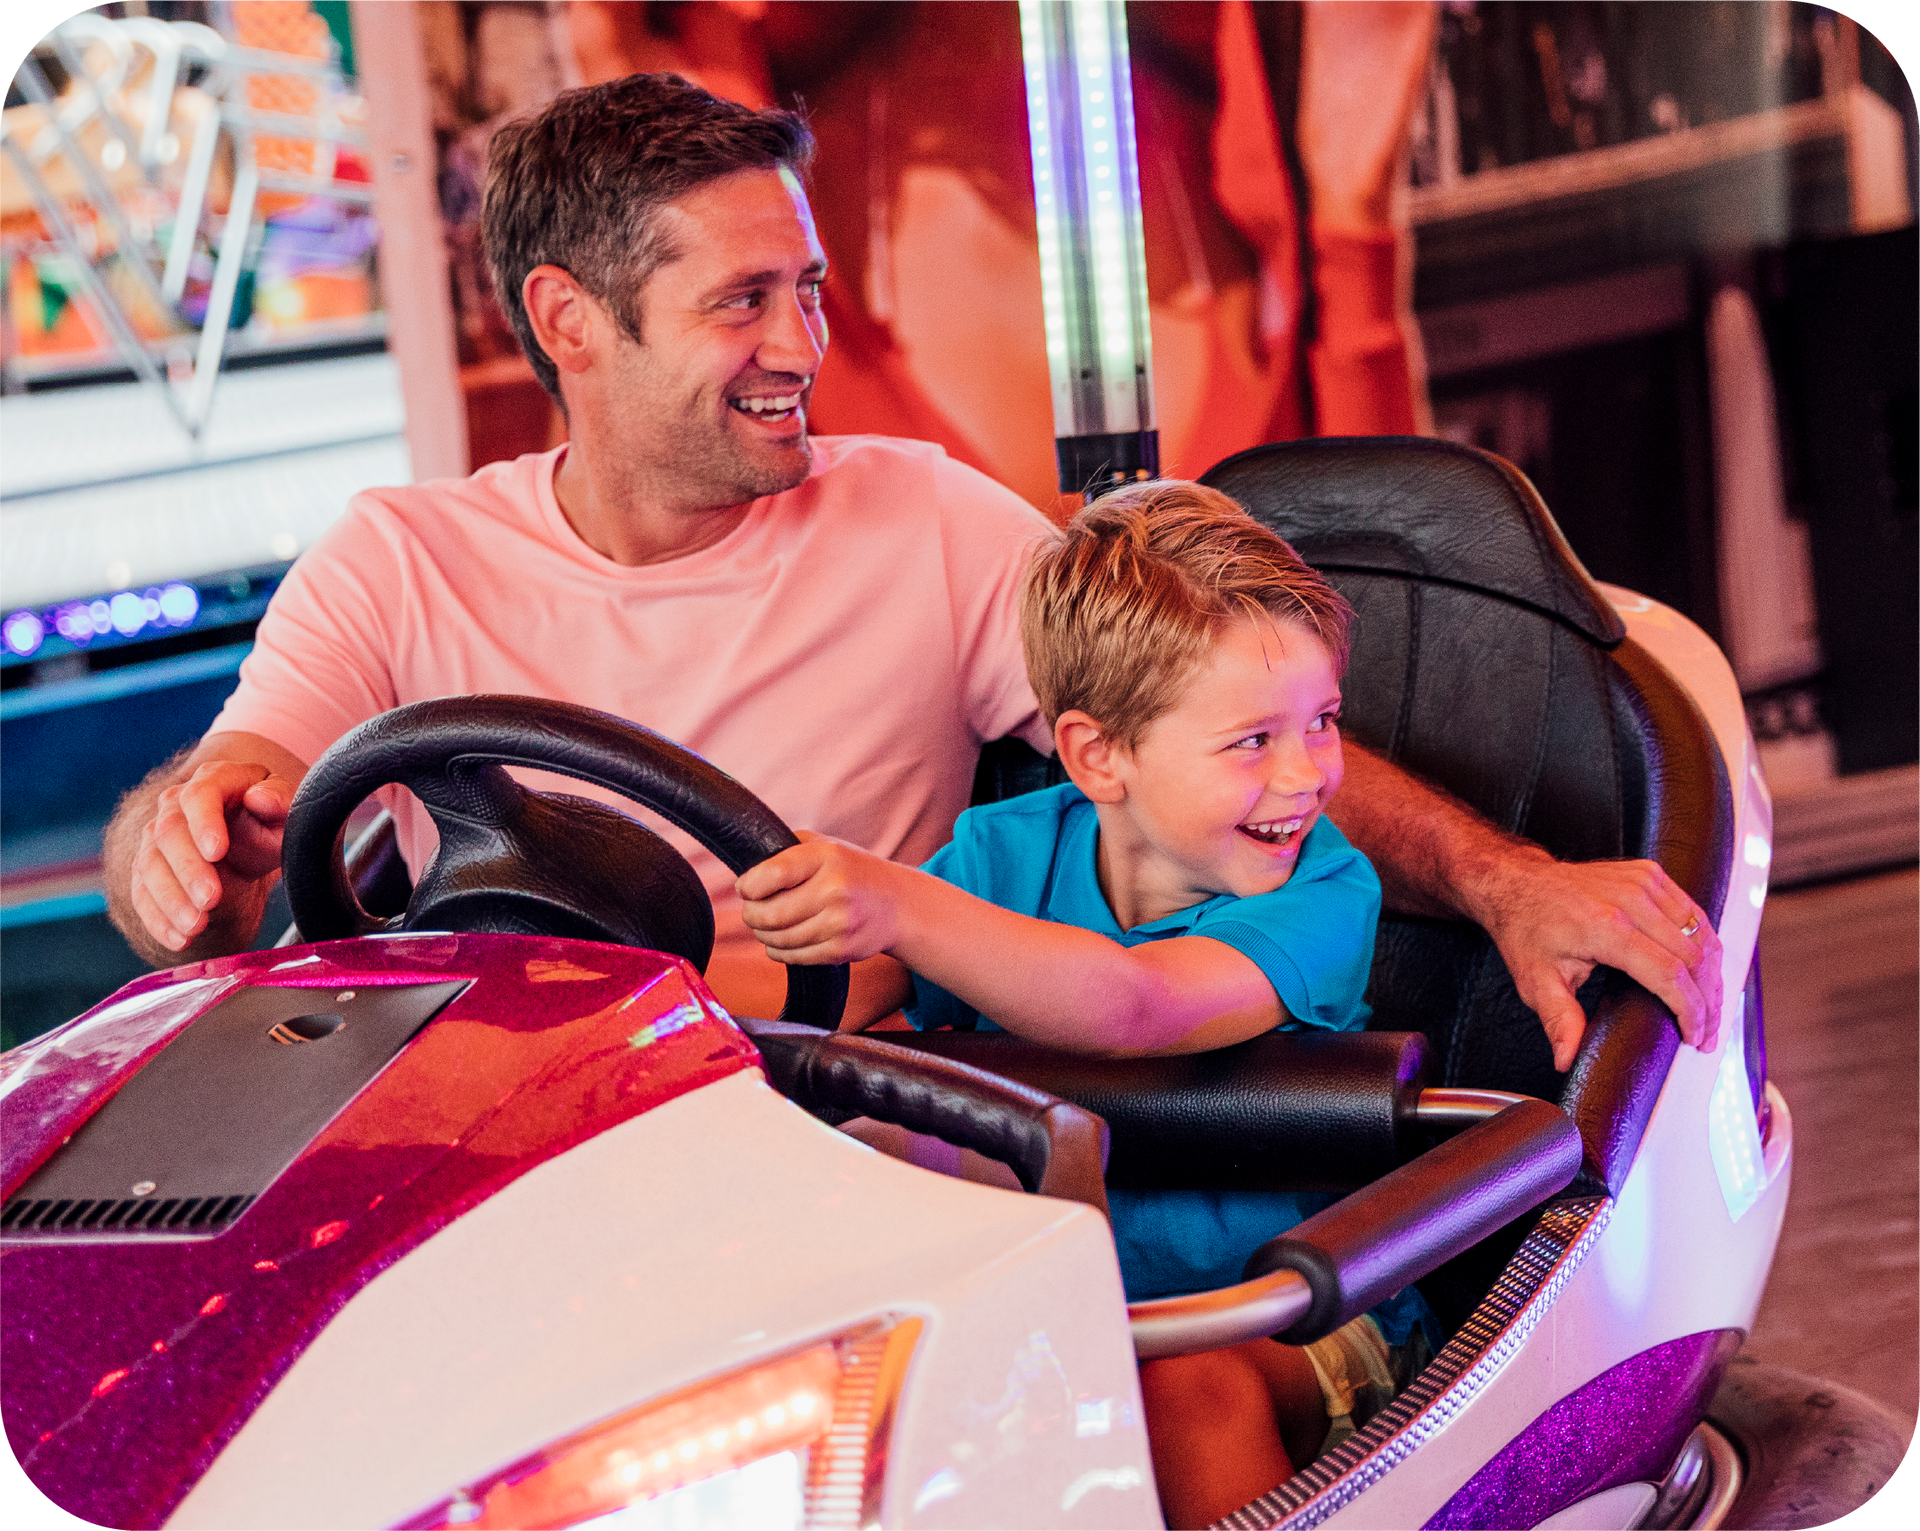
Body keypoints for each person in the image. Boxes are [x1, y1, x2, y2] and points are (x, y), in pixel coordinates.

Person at [105, 72, 1721, 1075]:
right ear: (572, 321)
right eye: (746, 303)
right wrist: (187, 855)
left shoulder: (918, 518)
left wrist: (1509, 880)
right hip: (507, 1130)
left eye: (808, 289)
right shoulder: (401, 560)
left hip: (838, 1102)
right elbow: (228, 804)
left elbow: (1213, 723)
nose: (803, 347)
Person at [736, 483, 1432, 1528]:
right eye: (1253, 742)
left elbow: (1136, 1008)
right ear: (1099, 755)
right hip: (1064, 1315)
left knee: (1181, 1394)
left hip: (1295, 1311)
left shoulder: (1326, 894)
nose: (1307, 776)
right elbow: (824, 997)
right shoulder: (1002, 853)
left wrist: (902, 905)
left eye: (1322, 722)